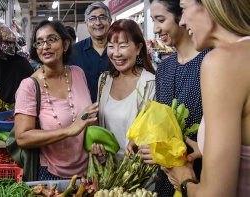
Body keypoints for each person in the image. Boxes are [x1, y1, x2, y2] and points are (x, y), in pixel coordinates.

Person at [163, 0, 250, 196]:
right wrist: (209, 148)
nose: (182, 22)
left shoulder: (222, 61)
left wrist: (184, 181)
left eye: (184, 9)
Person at [125, 0, 212, 196]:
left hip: (199, 175)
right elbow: (163, 121)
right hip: (166, 178)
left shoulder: (210, 62)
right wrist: (145, 139)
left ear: (182, 17)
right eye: (153, 20)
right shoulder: (164, 68)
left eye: (160, 20)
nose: (155, 29)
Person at [14, 20, 99, 181]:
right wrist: (69, 130)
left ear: (65, 45)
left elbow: (87, 118)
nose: (45, 46)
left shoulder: (78, 73)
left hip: (90, 169)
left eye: (51, 39)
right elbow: (22, 137)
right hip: (53, 174)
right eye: (39, 42)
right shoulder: (29, 87)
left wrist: (96, 140)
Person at [91, 19, 156, 161]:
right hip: (110, 171)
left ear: (138, 48)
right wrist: (98, 142)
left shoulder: (150, 83)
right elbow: (101, 124)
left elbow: (155, 130)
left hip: (139, 172)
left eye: (122, 46)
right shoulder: (104, 80)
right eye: (111, 46)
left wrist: (139, 143)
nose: (116, 53)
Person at [67, 1, 112, 103]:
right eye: (92, 19)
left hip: (116, 112)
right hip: (85, 114)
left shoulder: (118, 51)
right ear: (86, 23)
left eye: (102, 17)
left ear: (110, 21)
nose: (97, 23)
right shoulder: (74, 52)